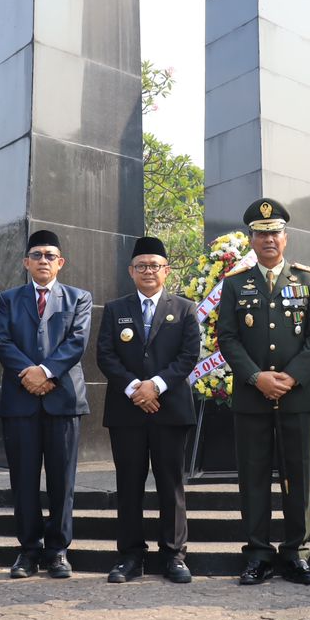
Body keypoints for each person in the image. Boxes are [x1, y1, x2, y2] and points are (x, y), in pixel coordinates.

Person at [214, 197, 310, 586]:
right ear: (250, 238)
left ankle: (297, 554)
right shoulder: (234, 285)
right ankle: (258, 555)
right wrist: (255, 377)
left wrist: (291, 376)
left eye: (275, 232)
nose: (268, 239)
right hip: (252, 397)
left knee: (297, 476)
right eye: (261, 233)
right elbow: (227, 339)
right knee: (253, 476)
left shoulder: (308, 280)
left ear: (286, 237)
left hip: (296, 396)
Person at [94, 235, 202, 584]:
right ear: (131, 271)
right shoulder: (115, 309)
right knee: (128, 484)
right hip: (127, 411)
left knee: (171, 483)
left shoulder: (185, 309)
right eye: (141, 266)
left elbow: (188, 356)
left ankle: (173, 555)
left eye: (154, 266)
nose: (148, 271)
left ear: (166, 271)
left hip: (169, 409)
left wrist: (154, 386)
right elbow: (105, 355)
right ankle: (130, 555)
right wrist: (133, 388)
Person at [0, 229, 92, 579]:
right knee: (23, 480)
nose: (43, 261)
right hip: (21, 402)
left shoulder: (79, 298)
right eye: (37, 255)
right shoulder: (8, 298)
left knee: (62, 481)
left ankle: (58, 550)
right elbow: (2, 341)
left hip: (63, 401)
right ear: (26, 262)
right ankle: (28, 550)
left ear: (60, 262)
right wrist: (29, 374)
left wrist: (47, 372)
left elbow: (77, 342)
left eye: (50, 255)